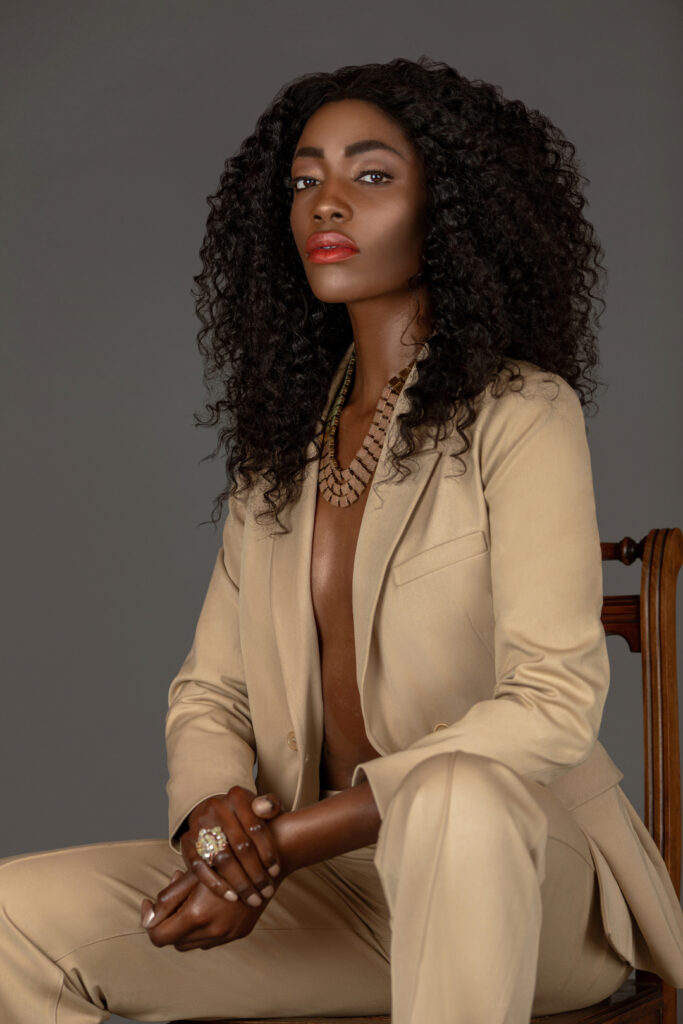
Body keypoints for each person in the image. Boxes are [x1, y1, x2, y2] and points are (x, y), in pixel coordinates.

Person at [1, 55, 682, 1024]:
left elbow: (550, 700)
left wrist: (285, 842)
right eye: (304, 179)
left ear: (446, 208)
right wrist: (216, 828)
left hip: (525, 891)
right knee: (11, 920)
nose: (326, 202)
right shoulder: (282, 458)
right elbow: (210, 692)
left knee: (455, 792)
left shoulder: (522, 414)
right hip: (339, 889)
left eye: (368, 175)